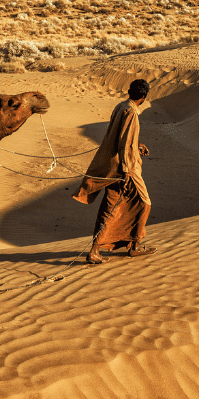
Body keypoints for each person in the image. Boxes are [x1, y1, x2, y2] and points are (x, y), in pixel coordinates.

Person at [72, 78, 157, 264]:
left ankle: (127, 246)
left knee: (111, 207)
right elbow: (124, 142)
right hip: (123, 168)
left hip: (114, 164)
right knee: (144, 203)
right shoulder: (132, 112)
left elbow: (122, 137)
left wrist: (137, 145)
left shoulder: (121, 105)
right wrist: (126, 170)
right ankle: (128, 246)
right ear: (144, 96)